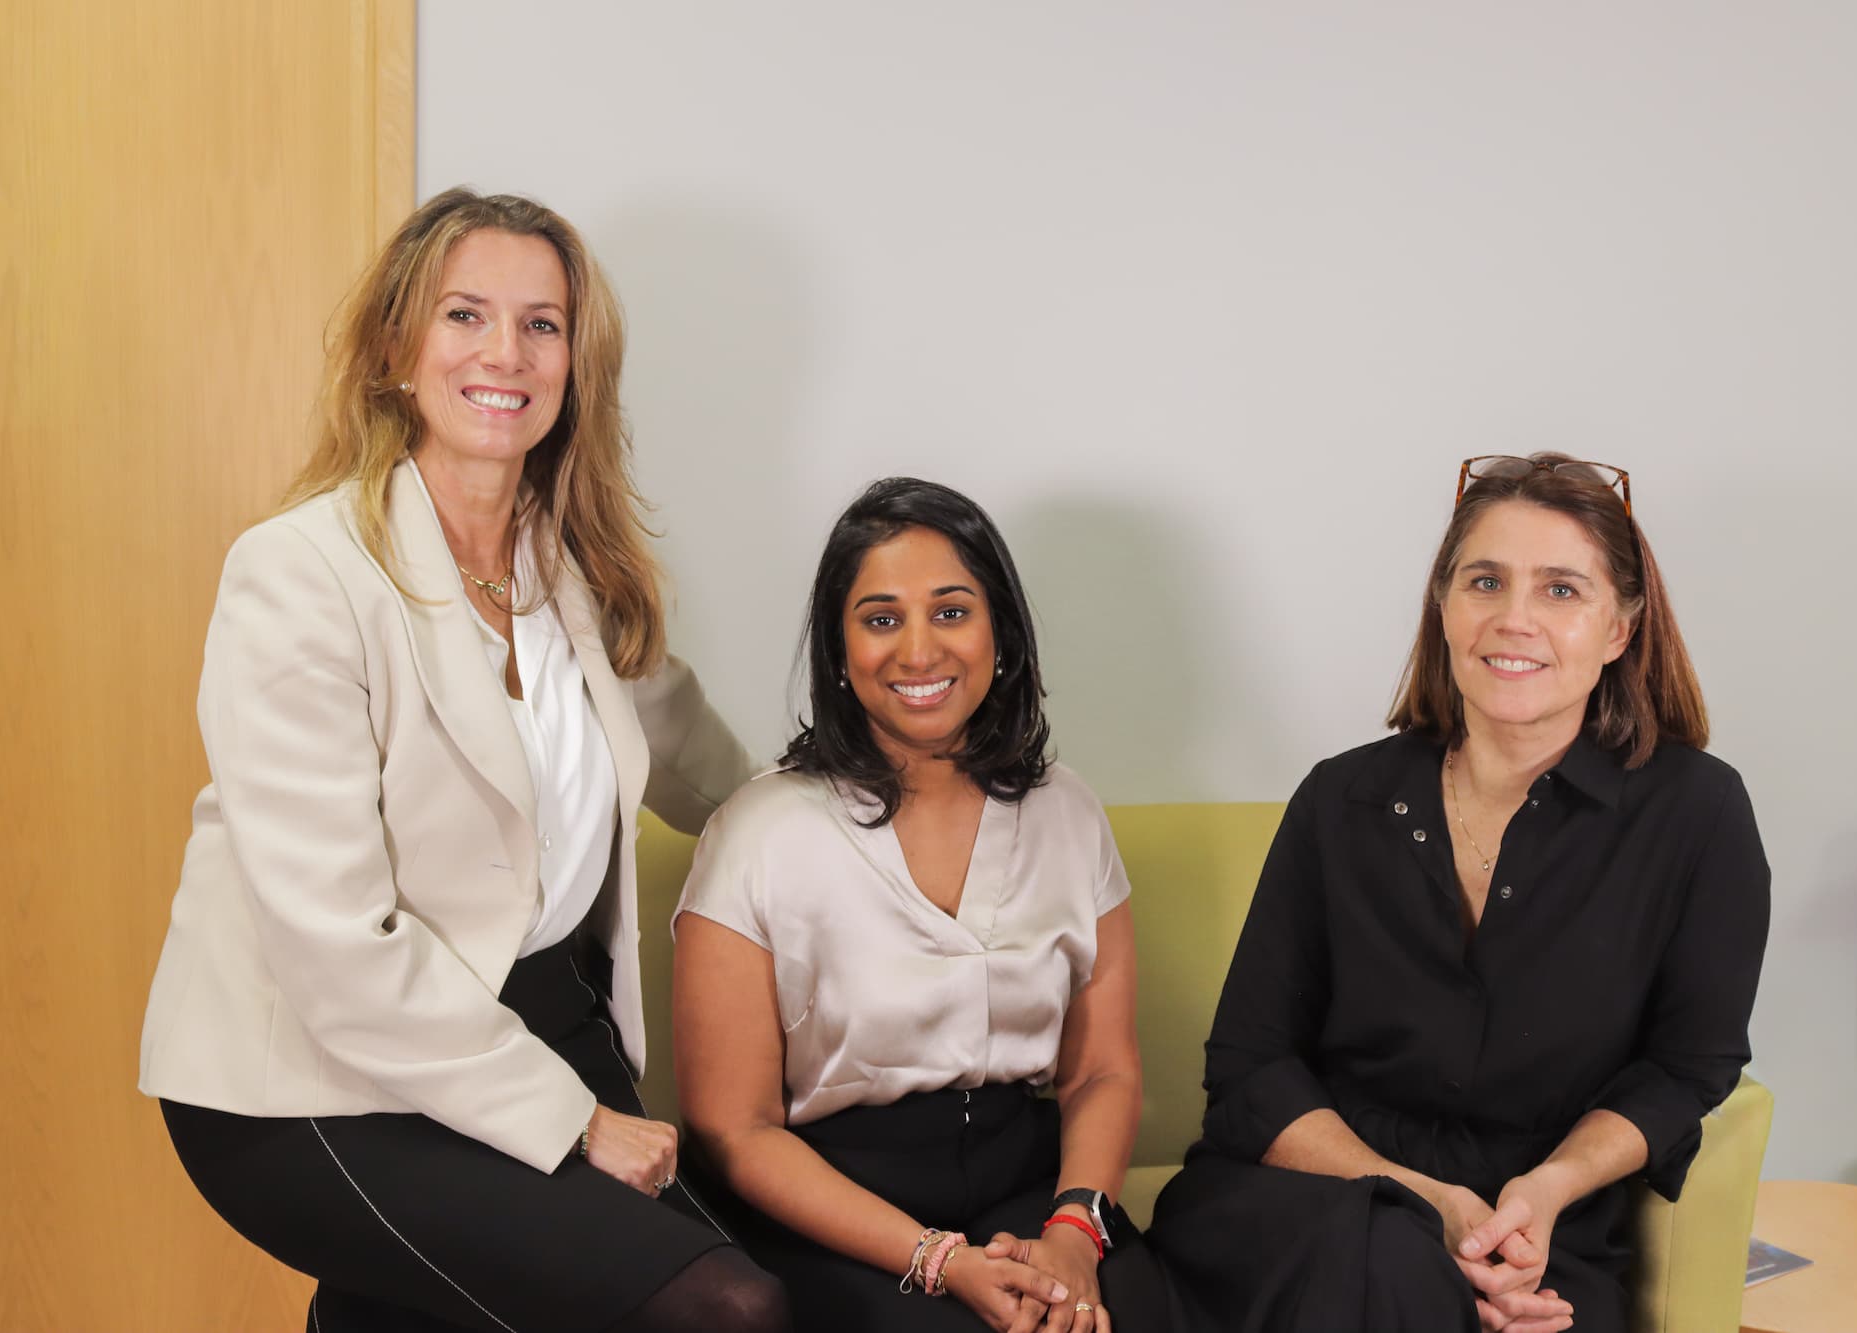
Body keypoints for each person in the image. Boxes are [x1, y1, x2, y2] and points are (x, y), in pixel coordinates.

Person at [138, 188, 788, 1333]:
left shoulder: (578, 573)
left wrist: (884, 807)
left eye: (542, 325)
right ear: (397, 346)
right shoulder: (298, 574)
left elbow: (715, 779)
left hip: (539, 1020)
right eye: (465, 316)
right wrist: (578, 1122)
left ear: (576, 365)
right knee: (721, 1309)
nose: (506, 353)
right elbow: (334, 951)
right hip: (313, 1073)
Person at [1148, 454, 1770, 1333]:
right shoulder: (1340, 799)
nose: (1514, 619)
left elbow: (1688, 1067)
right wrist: (1431, 1205)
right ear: (1444, 606)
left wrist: (1543, 1193)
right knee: (1384, 1261)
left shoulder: (1698, 812)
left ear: (1621, 629)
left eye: (1561, 590)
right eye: (1485, 581)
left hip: (1538, 1237)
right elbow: (1251, 1068)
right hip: (1309, 1206)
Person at [670, 478, 1173, 1333]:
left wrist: (1073, 1232)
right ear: (838, 648)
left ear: (1000, 632)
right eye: (879, 618)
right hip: (833, 1210)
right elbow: (737, 1128)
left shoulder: (1068, 811)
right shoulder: (757, 833)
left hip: (1029, 1186)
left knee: (1135, 1317)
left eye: (950, 611)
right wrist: (937, 1258)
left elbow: (1101, 1071)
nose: (918, 650)